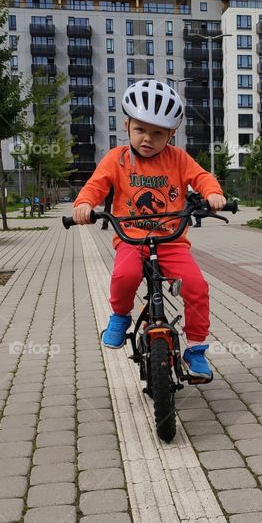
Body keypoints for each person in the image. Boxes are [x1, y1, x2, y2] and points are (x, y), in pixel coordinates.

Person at [71, 79, 225, 381]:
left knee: (196, 286)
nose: (147, 139)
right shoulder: (116, 159)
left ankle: (196, 349)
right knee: (124, 276)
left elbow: (202, 177)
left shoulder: (178, 159)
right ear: (127, 125)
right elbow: (95, 186)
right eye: (141, 129)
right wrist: (84, 204)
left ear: (171, 135)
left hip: (171, 241)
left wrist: (213, 194)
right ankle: (120, 317)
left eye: (158, 134)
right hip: (131, 239)